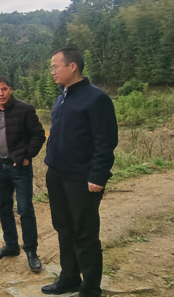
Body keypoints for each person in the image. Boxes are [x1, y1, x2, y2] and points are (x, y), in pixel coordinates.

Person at [41, 48, 118, 297]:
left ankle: (91, 288)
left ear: (72, 66)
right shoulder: (62, 96)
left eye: (55, 67)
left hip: (82, 179)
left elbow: (105, 141)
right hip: (57, 174)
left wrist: (98, 175)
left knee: (85, 233)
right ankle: (69, 278)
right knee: (64, 229)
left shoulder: (96, 98)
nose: (52, 72)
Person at [0, 75, 46, 272]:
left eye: (4, 89)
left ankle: (31, 252)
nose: (1, 93)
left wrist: (27, 156)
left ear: (10, 89)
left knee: (25, 210)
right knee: (4, 207)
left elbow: (38, 134)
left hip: (20, 168)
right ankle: (11, 245)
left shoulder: (24, 109)